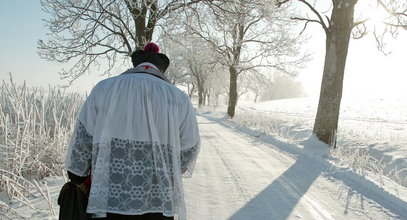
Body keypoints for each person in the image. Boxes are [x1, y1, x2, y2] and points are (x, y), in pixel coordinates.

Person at [64, 42, 201, 220]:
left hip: (108, 201)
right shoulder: (179, 98)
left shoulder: (103, 89)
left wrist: (77, 176)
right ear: (161, 68)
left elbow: (83, 139)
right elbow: (190, 147)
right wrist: (169, 168)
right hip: (158, 202)